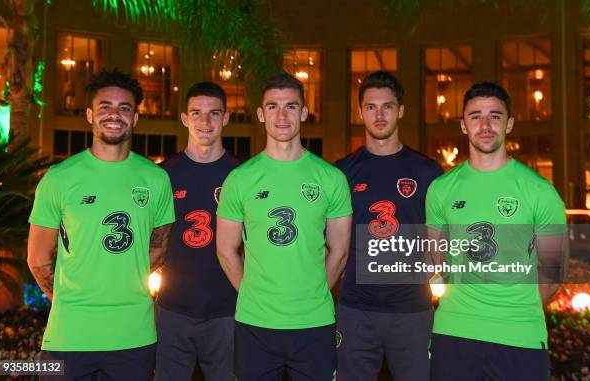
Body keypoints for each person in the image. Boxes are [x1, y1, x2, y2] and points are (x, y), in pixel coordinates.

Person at [27, 68, 175, 380]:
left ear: (135, 119)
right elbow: (37, 257)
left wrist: (121, 284)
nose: (114, 114)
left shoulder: (156, 180)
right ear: (90, 115)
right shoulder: (59, 178)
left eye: (125, 108)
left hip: (134, 335)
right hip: (69, 335)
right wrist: (70, 301)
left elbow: (158, 250)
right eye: (105, 106)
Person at [426, 82, 567, 381]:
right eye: (475, 116)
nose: (485, 125)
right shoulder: (440, 190)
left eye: (495, 115)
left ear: (510, 123)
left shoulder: (540, 191)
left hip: (519, 335)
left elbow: (553, 269)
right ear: (463, 125)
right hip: (454, 332)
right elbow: (434, 261)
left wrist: (514, 307)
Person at [216, 73, 352, 381]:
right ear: (261, 114)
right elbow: (225, 250)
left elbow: (340, 250)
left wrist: (313, 293)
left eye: (291, 107)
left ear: (304, 113)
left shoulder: (330, 178)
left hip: (314, 322)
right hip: (255, 324)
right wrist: (254, 294)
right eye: (273, 107)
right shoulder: (240, 179)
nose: (282, 115)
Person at [334, 71, 442, 381]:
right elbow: (333, 242)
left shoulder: (427, 171)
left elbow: (440, 238)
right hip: (356, 311)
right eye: (371, 107)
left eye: (387, 106)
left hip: (412, 312)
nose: (379, 115)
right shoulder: (343, 173)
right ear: (360, 112)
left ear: (401, 110)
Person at [155, 82, 239, 381]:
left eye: (214, 113)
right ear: (184, 119)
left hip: (228, 312)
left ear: (226, 118)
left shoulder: (242, 175)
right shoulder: (164, 175)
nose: (205, 122)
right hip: (172, 311)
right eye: (197, 113)